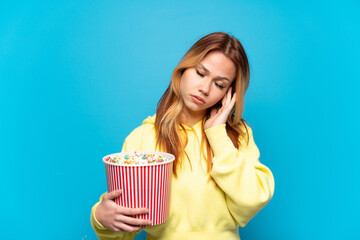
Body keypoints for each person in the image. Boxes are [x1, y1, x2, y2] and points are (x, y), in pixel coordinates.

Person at [90, 32, 275, 240]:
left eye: (219, 84)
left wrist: (217, 135)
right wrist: (100, 218)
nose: (204, 89)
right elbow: (124, 230)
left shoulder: (237, 136)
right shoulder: (142, 138)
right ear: (184, 68)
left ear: (229, 94)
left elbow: (253, 199)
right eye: (200, 73)